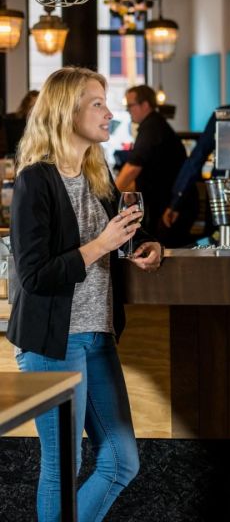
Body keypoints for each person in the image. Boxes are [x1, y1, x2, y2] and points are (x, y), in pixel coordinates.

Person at [7, 67, 162, 522]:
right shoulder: (35, 180)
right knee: (62, 469)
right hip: (54, 343)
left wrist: (148, 246)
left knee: (121, 461)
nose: (109, 112)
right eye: (97, 103)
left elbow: (121, 236)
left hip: (98, 337)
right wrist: (103, 246)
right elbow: (34, 275)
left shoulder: (98, 175)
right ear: (65, 111)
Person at [161, 73, 230, 231]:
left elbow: (196, 159)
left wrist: (176, 203)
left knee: (219, 246)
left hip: (223, 197)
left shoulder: (224, 116)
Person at [115, 85, 197, 247]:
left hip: (173, 207)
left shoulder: (151, 128)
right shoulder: (154, 125)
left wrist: (111, 198)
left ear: (145, 105)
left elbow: (132, 168)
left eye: (130, 105)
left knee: (165, 253)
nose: (128, 110)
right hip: (171, 204)